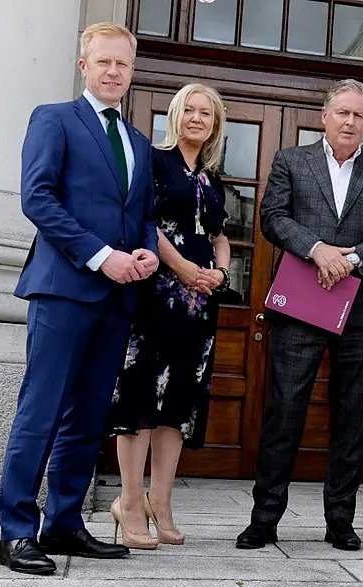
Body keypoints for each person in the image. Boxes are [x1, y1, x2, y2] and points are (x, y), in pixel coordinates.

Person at [0, 22, 159, 575]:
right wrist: (100, 255)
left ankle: (63, 522)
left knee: (87, 418)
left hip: (117, 299)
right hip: (64, 289)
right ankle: (16, 530)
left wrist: (141, 254)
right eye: (104, 62)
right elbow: (37, 198)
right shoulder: (54, 119)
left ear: (133, 73)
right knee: (39, 414)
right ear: (84, 66)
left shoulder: (138, 141)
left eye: (124, 65)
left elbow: (141, 216)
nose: (114, 72)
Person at [236, 79, 363, 551]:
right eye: (342, 113)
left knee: (352, 419)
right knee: (284, 411)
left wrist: (350, 260)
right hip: (302, 306)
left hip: (361, 310)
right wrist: (317, 249)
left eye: (358, 115)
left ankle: (340, 523)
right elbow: (272, 217)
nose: (350, 121)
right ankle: (264, 520)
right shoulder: (293, 160)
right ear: (325, 116)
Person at [105, 83, 233, 549]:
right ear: (175, 116)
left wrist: (219, 270)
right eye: (189, 110)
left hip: (200, 305)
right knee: (140, 397)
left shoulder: (215, 179)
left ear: (216, 125)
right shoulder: (154, 162)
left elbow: (221, 235)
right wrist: (185, 270)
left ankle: (162, 501)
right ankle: (130, 501)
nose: (197, 118)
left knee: (178, 402)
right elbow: (146, 224)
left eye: (206, 113)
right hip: (158, 294)